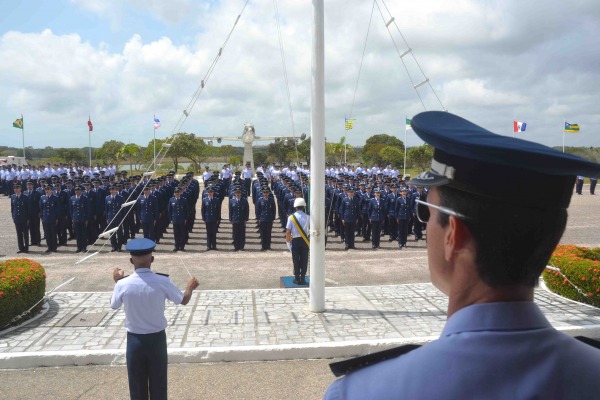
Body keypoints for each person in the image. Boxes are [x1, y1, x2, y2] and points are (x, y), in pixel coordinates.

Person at [324, 111, 600, 399]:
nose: (424, 223)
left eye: (426, 212)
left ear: (452, 234)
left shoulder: (363, 391)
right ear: (553, 237)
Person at [111, 238, 199, 400]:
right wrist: (189, 287)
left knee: (137, 387)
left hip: (134, 341)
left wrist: (117, 281)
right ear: (152, 259)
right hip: (157, 339)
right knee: (159, 385)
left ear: (131, 261)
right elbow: (183, 300)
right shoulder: (162, 281)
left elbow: (114, 305)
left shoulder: (123, 284)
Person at [285, 198, 309, 285]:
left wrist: (288, 242)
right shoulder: (308, 217)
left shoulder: (291, 217)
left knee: (296, 259)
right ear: (304, 207)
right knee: (304, 259)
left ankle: (296, 278)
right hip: (305, 241)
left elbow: (288, 231)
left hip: (295, 240)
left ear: (295, 207)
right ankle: (303, 278)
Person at [167, 187, 188, 251]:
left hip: (181, 219)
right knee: (176, 234)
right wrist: (171, 219)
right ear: (174, 193)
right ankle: (176, 246)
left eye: (178, 192)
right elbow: (169, 210)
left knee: (182, 233)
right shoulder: (171, 200)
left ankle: (182, 246)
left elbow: (186, 210)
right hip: (175, 219)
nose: (177, 193)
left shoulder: (184, 200)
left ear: (180, 192)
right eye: (176, 192)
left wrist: (185, 218)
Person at [40, 186, 59, 252]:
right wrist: (42, 217)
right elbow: (41, 208)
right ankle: (49, 247)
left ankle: (54, 247)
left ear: (51, 190)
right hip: (45, 218)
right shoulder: (43, 198)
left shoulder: (55, 198)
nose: (47, 191)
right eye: (46, 189)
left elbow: (57, 209)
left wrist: (56, 217)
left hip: (52, 218)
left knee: (53, 233)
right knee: (47, 233)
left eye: (48, 189)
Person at [11, 183, 29, 253]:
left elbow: (28, 209)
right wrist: (13, 216)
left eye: (17, 188)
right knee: (19, 234)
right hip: (17, 218)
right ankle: (21, 248)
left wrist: (28, 218)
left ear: (20, 189)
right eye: (14, 188)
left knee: (25, 233)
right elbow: (13, 208)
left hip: (24, 218)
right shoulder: (13, 197)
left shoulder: (25, 197)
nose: (15, 189)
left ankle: (26, 248)